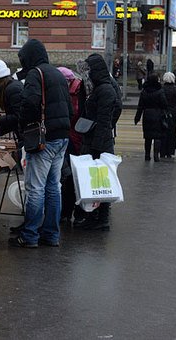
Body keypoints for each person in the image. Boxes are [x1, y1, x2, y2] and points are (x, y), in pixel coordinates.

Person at [9, 39, 73, 248]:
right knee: (53, 187)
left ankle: (29, 236)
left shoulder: (36, 74)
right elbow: (69, 107)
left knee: (35, 188)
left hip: (44, 140)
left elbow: (29, 104)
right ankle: (51, 235)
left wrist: (23, 124)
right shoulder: (57, 74)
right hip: (62, 137)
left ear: (29, 57)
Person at [76, 54, 119, 231]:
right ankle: (94, 217)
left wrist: (96, 148)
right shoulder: (98, 88)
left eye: (89, 70)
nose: (87, 73)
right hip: (95, 141)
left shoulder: (105, 90)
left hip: (99, 144)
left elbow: (104, 121)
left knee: (102, 183)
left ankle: (102, 220)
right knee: (96, 183)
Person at [57, 66, 86, 225]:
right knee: (67, 178)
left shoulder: (77, 92)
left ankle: (77, 212)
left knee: (75, 178)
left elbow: (74, 114)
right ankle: (67, 212)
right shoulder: (71, 91)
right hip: (70, 138)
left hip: (76, 139)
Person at [134, 72, 168, 162]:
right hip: (158, 115)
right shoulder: (160, 91)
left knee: (148, 137)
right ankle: (156, 156)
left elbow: (140, 106)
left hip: (147, 115)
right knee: (157, 136)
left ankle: (147, 155)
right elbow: (164, 104)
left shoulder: (144, 91)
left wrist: (137, 118)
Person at [160, 72, 176, 158]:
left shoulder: (161, 89)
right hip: (173, 114)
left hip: (163, 114)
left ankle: (162, 151)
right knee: (172, 133)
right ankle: (169, 152)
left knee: (163, 133)